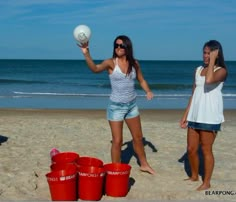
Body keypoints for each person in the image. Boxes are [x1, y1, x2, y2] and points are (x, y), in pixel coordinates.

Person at [78, 35, 155, 175]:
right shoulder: (110, 63)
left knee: (138, 138)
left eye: (122, 45)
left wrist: (148, 91)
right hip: (116, 108)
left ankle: (144, 164)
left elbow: (141, 80)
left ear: (127, 47)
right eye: (116, 45)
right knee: (117, 141)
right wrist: (86, 53)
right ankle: (115, 170)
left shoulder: (135, 63)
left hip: (132, 106)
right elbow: (95, 69)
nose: (118, 48)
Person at [180, 40, 228, 190]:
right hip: (194, 115)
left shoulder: (221, 71)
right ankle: (194, 176)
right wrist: (185, 114)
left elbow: (209, 80)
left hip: (209, 116)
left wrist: (213, 60)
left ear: (216, 54)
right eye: (205, 53)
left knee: (206, 150)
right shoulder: (198, 69)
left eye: (209, 53)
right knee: (191, 149)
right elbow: (194, 93)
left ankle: (206, 183)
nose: (206, 56)